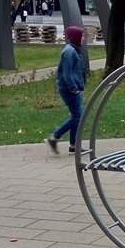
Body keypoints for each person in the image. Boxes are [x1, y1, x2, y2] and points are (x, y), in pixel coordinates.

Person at [46, 26, 87, 154]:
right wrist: (73, 88)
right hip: (69, 89)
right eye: (82, 36)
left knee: (77, 116)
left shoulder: (74, 50)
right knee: (77, 116)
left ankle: (74, 145)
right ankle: (55, 137)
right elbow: (67, 73)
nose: (83, 38)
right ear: (76, 37)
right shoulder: (70, 52)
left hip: (73, 87)